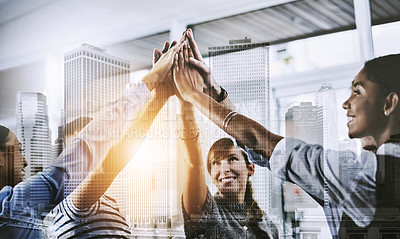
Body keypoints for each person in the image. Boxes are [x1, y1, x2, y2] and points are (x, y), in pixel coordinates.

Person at [172, 29, 400, 238]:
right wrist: (213, 92)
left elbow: (262, 143)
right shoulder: (361, 174)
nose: (346, 103)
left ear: (390, 103)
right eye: (215, 163)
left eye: (357, 92)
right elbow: (258, 146)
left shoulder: (357, 174)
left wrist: (192, 95)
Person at [0, 36, 182, 238]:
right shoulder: (17, 207)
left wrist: (159, 94)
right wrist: (154, 82)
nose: (24, 161)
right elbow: (98, 157)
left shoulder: (108, 203)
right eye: (18, 149)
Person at [174, 34, 278, 238]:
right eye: (215, 163)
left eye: (232, 159)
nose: (223, 168)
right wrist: (186, 99)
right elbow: (193, 163)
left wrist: (214, 90)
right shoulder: (209, 214)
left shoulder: (268, 226)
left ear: (251, 168)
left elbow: (250, 139)